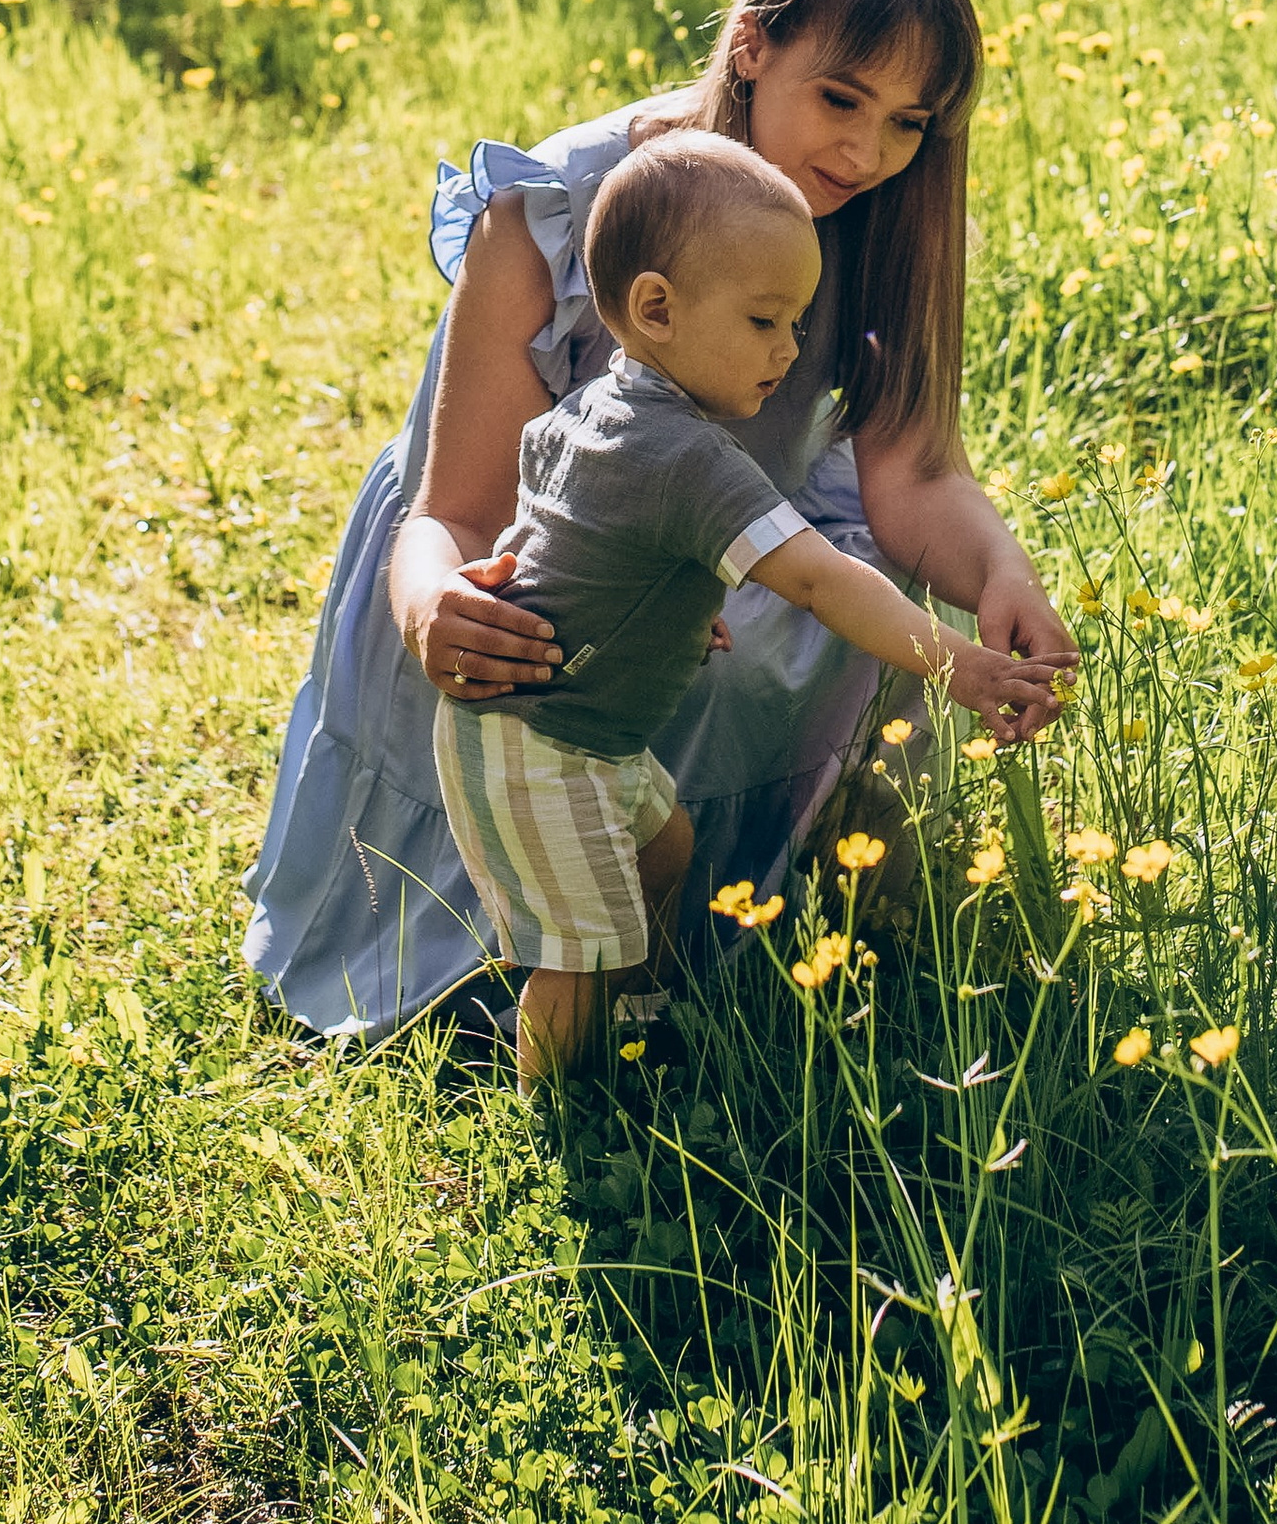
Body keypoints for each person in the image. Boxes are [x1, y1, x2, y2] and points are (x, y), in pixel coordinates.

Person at [242, 0, 1077, 1038]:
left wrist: (999, 578)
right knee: (555, 706)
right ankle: (553, 962)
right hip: (530, 565)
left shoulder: (882, 219)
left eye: (906, 125)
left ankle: (744, 917)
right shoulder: (562, 207)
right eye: (839, 98)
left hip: (727, 533)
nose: (863, 153)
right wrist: (434, 606)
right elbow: (453, 505)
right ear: (752, 44)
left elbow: (914, 471)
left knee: (861, 592)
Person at [438, 126, 1062, 1081]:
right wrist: (960, 662)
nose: (792, 351)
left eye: (801, 323)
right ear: (656, 309)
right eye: (766, 321)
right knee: (579, 955)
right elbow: (819, 579)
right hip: (541, 742)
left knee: (666, 847)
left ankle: (652, 1019)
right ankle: (565, 1119)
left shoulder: (599, 409)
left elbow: (559, 530)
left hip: (578, 731)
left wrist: (658, 603)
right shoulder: (688, 457)